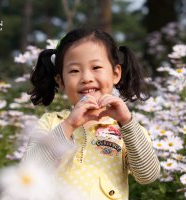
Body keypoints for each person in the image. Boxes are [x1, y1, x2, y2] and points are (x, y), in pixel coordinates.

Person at [22, 28, 160, 200]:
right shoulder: (52, 122)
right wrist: (69, 125)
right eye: (74, 71)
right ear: (61, 81)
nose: (86, 77)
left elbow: (148, 175)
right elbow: (29, 170)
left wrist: (126, 122)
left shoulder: (127, 129)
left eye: (96, 67)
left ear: (116, 73)